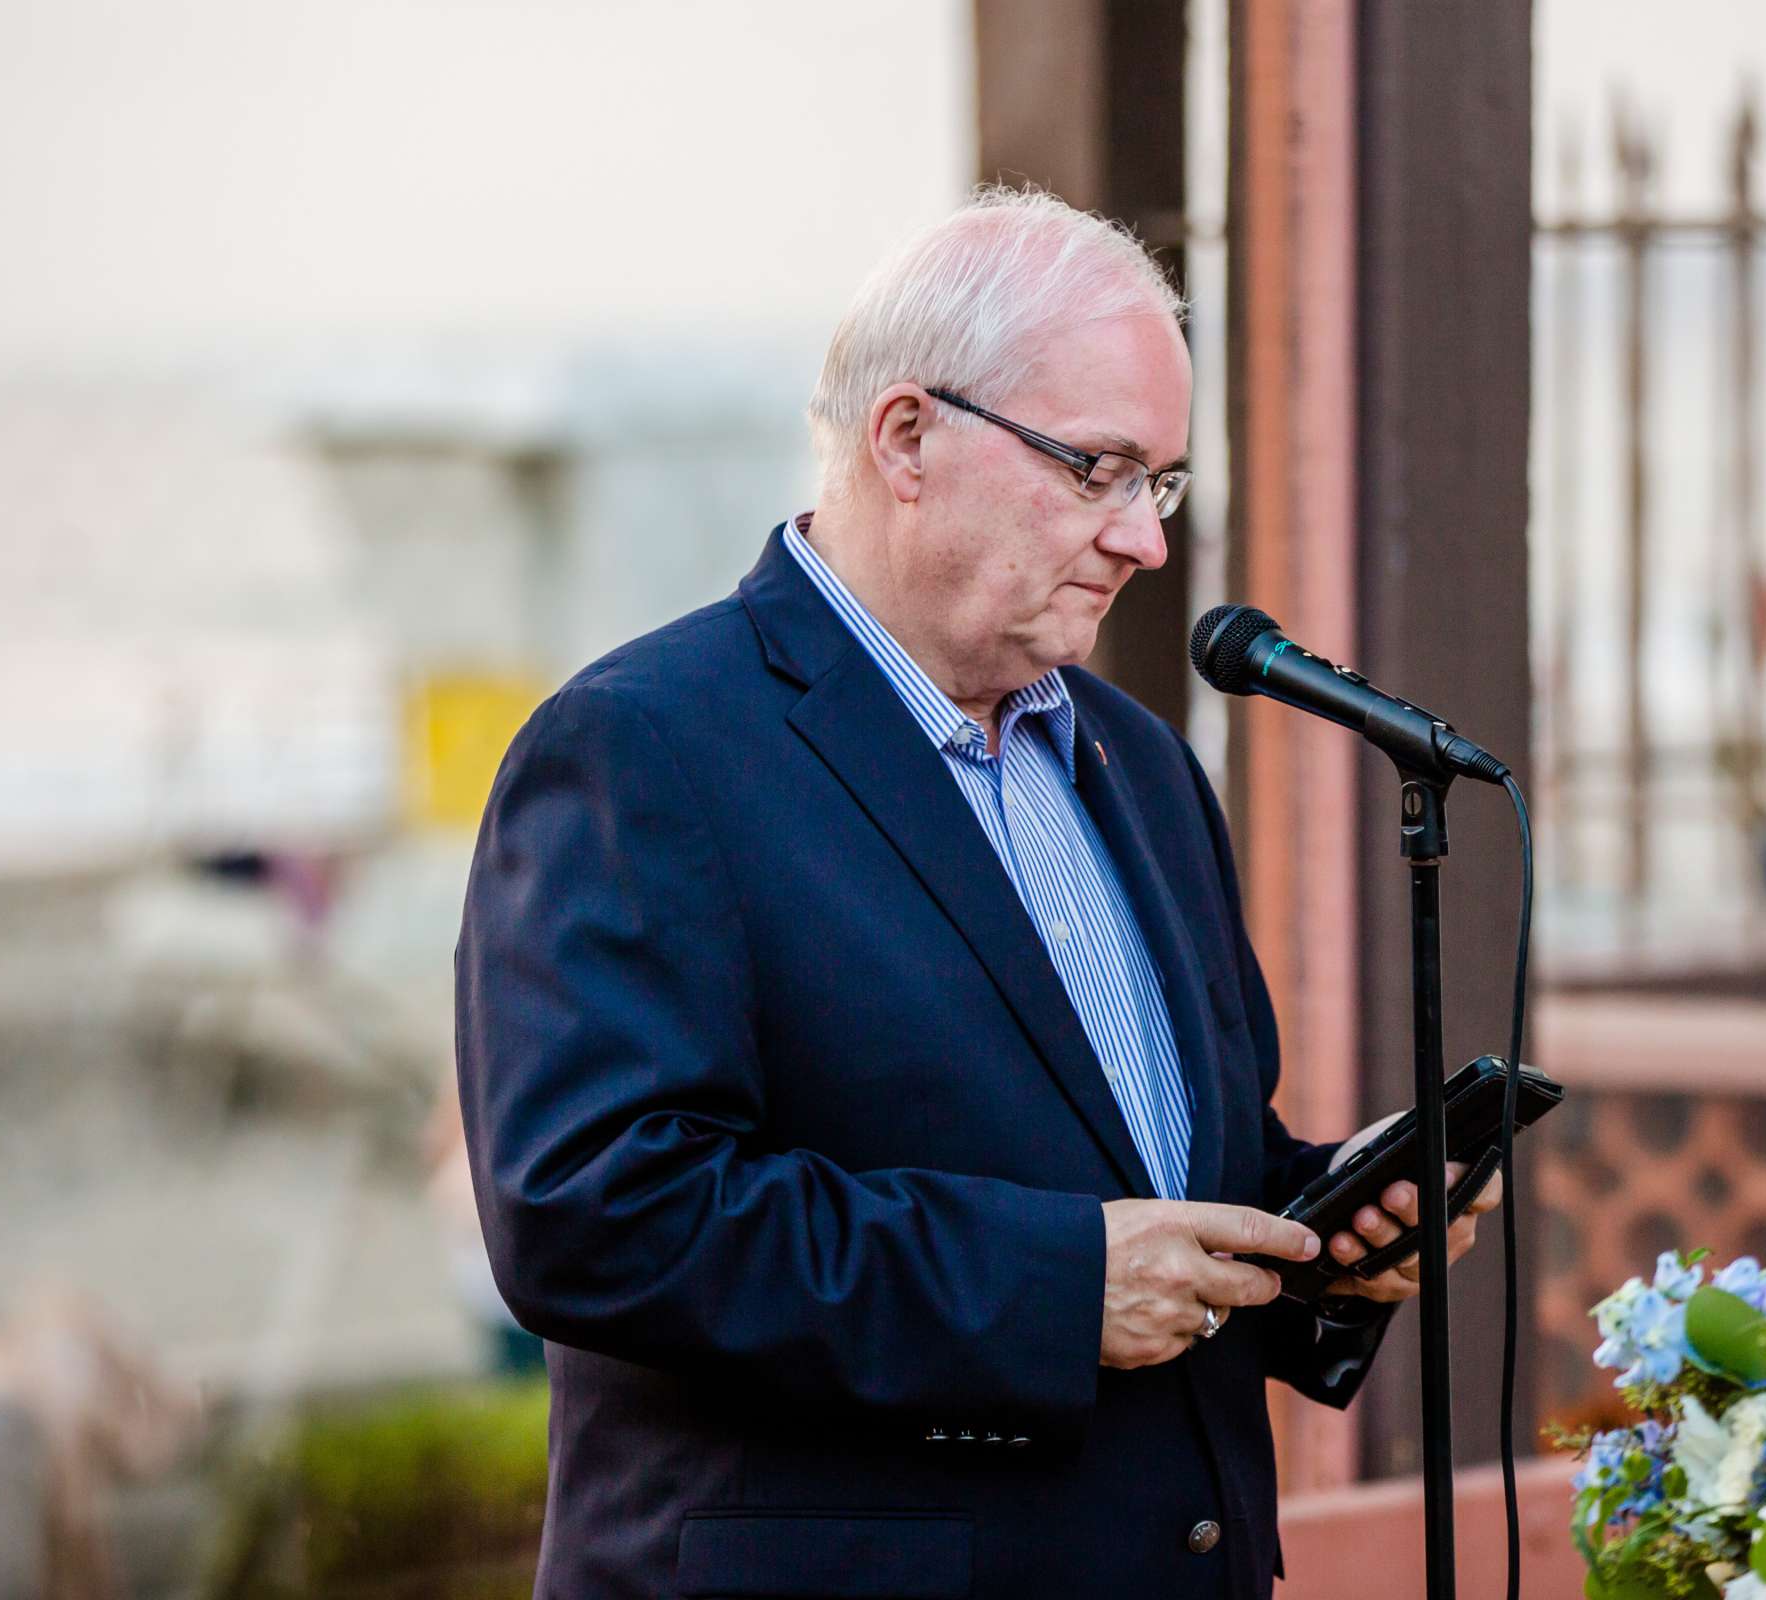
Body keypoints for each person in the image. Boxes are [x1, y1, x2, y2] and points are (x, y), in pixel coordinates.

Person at [454, 186, 1501, 1600]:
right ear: (907, 441)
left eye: (1164, 484)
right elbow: (595, 1214)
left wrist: (1318, 1223)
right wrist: (1055, 1291)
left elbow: (1139, 1182)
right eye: (1100, 470)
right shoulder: (641, 746)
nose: (1145, 539)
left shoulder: (1137, 763)